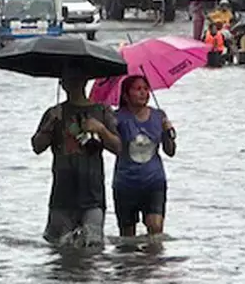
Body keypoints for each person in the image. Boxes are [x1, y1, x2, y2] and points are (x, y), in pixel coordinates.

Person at [31, 69, 122, 248]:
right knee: (60, 249)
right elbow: (37, 146)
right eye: (69, 79)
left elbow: (119, 148)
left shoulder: (102, 110)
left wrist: (101, 130)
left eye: (78, 78)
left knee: (93, 248)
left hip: (93, 194)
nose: (74, 82)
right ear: (62, 83)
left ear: (86, 80)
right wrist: (50, 125)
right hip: (62, 195)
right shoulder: (54, 113)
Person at [111, 76, 175, 240]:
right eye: (138, 89)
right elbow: (112, 147)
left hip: (154, 182)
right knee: (127, 237)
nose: (143, 93)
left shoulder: (159, 116)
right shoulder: (117, 118)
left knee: (155, 228)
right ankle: (133, 265)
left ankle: (151, 264)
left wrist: (169, 132)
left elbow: (170, 151)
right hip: (126, 183)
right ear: (126, 95)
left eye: (146, 89)